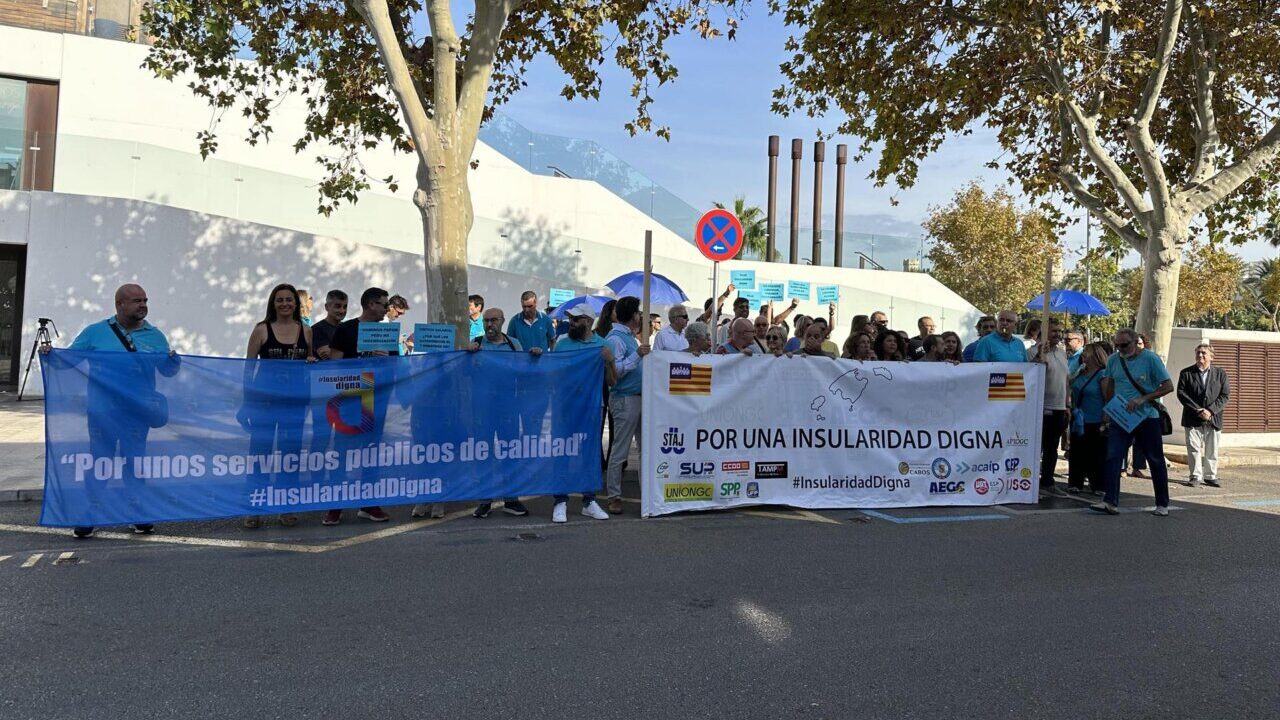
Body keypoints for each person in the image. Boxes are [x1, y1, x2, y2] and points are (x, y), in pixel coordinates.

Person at [50, 283, 179, 538]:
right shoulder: (95, 333)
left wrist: (174, 361)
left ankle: (137, 513)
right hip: (102, 412)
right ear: (119, 304)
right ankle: (90, 514)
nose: (143, 305)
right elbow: (68, 361)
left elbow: (167, 371)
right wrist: (49, 355)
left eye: (145, 300)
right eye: (136, 301)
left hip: (137, 412)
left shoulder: (155, 335)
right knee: (100, 463)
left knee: (135, 463)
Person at [240, 283, 314, 529]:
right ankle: (255, 506)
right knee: (260, 455)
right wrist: (246, 403)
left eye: (289, 300)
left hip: (295, 403)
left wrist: (312, 361)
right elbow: (248, 369)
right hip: (264, 403)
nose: (285, 304)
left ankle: (286, 505)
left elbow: (309, 364)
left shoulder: (306, 330)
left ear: (296, 303)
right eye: (280, 300)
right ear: (273, 303)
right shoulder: (261, 330)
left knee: (290, 456)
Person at [325, 287, 397, 525]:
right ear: (369, 305)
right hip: (350, 398)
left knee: (371, 453)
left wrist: (386, 360)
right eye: (384, 304)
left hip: (377, 399)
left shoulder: (387, 332)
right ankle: (335, 505)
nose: (387, 309)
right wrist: (360, 361)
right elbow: (335, 365)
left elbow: (396, 367)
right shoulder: (346, 329)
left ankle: (369, 503)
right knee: (343, 452)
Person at [469, 307, 543, 519]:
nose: (489, 324)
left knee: (510, 451)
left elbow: (525, 371)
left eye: (493, 320)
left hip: (509, 407)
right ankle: (485, 501)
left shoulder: (513, 344)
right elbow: (465, 373)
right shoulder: (477, 344)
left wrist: (535, 357)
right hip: (482, 409)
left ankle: (511, 499)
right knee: (483, 452)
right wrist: (467, 354)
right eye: (486, 321)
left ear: (502, 321)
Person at [1091, 328, 1174, 516]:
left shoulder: (1151, 359)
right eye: (1117, 345)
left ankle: (1162, 503)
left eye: (1124, 345)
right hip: (1121, 417)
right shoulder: (1114, 360)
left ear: (1136, 342)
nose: (1120, 349)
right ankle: (1110, 501)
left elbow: (1168, 386)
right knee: (1113, 457)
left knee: (1155, 459)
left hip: (1147, 417)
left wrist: (1143, 399)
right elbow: (1110, 384)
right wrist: (1108, 410)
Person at [546, 306, 614, 522]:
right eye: (570, 319)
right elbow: (552, 374)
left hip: (592, 407)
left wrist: (610, 360)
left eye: (575, 319)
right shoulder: (563, 342)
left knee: (590, 453)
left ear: (588, 321)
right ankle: (560, 501)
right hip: (564, 407)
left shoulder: (603, 345)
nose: (571, 323)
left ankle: (589, 500)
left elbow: (613, 381)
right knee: (562, 452)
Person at [603, 296, 650, 514]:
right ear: (633, 315)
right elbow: (616, 371)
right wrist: (637, 357)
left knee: (645, 448)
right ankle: (614, 495)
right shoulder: (616, 339)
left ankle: (647, 491)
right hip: (624, 398)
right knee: (620, 449)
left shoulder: (630, 337)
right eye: (639, 313)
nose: (641, 316)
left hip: (639, 397)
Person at [1176, 344, 1230, 488]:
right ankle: (1195, 476)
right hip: (1192, 417)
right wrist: (1198, 410)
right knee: (1193, 448)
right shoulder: (1186, 373)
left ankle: (1210, 476)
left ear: (1211, 357)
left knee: (1212, 449)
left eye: (1204, 353)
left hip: (1213, 418)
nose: (1200, 356)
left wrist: (1211, 411)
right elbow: (1181, 394)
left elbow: (1224, 396)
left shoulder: (1220, 374)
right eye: (1198, 353)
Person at [1030, 318, 1070, 495]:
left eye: (1060, 332)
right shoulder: (1031, 351)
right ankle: (1029, 482)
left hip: (1059, 406)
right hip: (1041, 406)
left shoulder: (1062, 353)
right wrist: (1040, 355)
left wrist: (1068, 403)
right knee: (1036, 447)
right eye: (1054, 331)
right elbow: (1030, 374)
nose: (1058, 335)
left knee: (1052, 447)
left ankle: (1047, 481)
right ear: (1043, 332)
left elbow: (1066, 380)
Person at [1067, 343, 1108, 495]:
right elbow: (1069, 384)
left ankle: (1098, 485)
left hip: (1095, 419)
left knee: (1095, 453)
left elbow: (1107, 397)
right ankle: (1075, 482)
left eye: (1086, 352)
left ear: (1095, 356)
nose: (1083, 354)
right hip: (1078, 419)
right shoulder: (1081, 371)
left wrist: (1105, 419)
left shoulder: (1102, 374)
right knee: (1077, 451)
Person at [311, 290, 347, 360]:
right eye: (338, 306)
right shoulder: (316, 329)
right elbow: (328, 356)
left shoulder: (347, 328)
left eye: (345, 307)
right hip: (324, 370)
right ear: (327, 307)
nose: (342, 311)